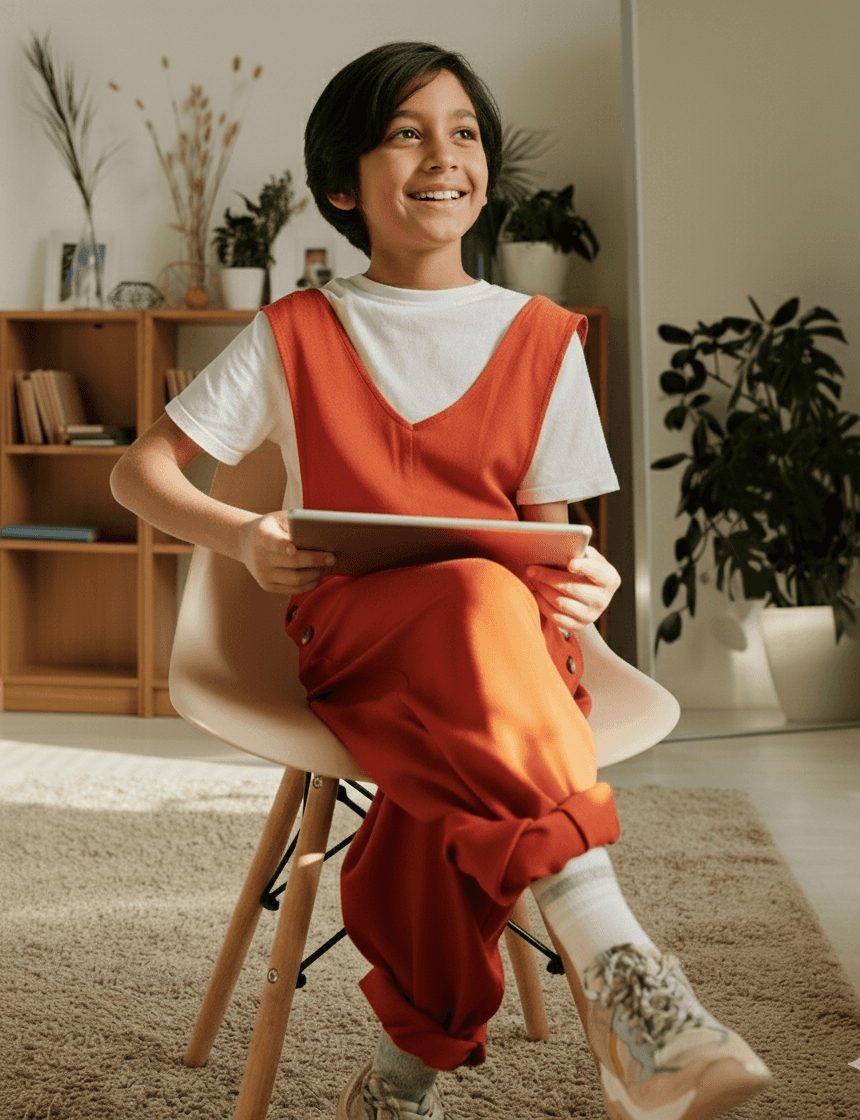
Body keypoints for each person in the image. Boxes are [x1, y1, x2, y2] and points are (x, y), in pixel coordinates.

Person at [111, 40, 771, 1120]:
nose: (443, 153)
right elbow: (136, 472)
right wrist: (237, 536)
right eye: (406, 131)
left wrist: (586, 587)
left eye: (462, 131)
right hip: (355, 642)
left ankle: (396, 1086)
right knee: (471, 607)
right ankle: (623, 972)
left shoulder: (546, 339)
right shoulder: (296, 330)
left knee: (461, 712)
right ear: (343, 182)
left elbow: (552, 547)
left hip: (502, 659)